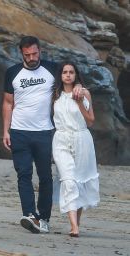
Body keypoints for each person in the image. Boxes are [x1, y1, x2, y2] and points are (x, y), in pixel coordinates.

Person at [2, 36, 83, 234]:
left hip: (45, 132)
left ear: (40, 51)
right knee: (24, 174)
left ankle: (44, 218)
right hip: (19, 131)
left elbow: (70, 78)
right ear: (21, 53)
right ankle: (30, 215)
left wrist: (80, 85)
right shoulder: (12, 72)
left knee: (45, 176)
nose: (32, 58)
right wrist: (5, 130)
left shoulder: (52, 69)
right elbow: (8, 103)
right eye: (27, 55)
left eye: (35, 53)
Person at [52, 61, 100, 237]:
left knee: (79, 181)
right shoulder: (55, 94)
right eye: (65, 72)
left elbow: (90, 121)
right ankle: (74, 226)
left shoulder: (84, 92)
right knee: (68, 179)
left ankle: (75, 224)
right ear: (60, 75)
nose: (68, 75)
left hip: (82, 138)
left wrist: (79, 101)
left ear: (76, 74)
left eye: (71, 72)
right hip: (61, 139)